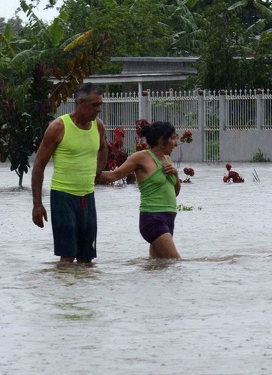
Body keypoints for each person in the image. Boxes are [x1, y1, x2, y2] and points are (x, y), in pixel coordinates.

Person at [32, 83, 108, 263]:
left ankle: (84, 291)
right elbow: (38, 166)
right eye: (94, 105)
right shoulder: (58, 127)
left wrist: (96, 174)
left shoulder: (98, 126)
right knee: (67, 256)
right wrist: (37, 205)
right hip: (63, 197)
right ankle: (64, 291)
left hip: (87, 197)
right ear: (80, 102)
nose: (99, 110)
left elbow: (104, 149)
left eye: (100, 105)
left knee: (87, 258)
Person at [97, 121, 181, 259]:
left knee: (159, 266)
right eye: (172, 138)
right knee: (176, 262)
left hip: (169, 219)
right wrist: (88, 172)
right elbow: (114, 175)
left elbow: (175, 193)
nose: (175, 143)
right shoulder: (141, 157)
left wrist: (175, 174)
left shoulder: (167, 159)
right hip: (153, 219)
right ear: (161, 140)